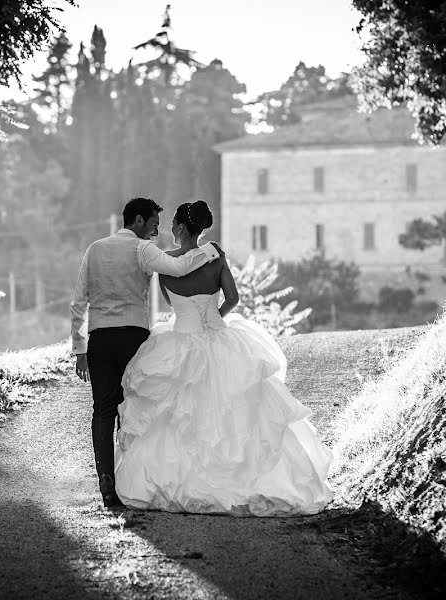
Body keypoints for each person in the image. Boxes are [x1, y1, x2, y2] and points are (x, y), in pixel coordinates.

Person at [114, 200, 334, 516]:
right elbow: (233, 298)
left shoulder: (165, 263)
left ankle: (178, 482)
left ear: (178, 227)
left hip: (181, 340)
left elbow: (172, 304)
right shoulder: (215, 254)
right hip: (219, 337)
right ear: (201, 228)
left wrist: (192, 319)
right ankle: (245, 483)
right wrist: (214, 318)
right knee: (238, 411)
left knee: (176, 415)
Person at [70, 197, 221, 508]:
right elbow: (179, 268)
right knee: (132, 407)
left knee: (103, 409)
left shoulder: (94, 249)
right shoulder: (142, 249)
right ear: (137, 220)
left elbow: (78, 302)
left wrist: (79, 348)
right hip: (133, 337)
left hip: (99, 338)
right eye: (153, 224)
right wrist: (209, 251)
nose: (155, 232)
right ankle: (127, 478)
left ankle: (105, 480)